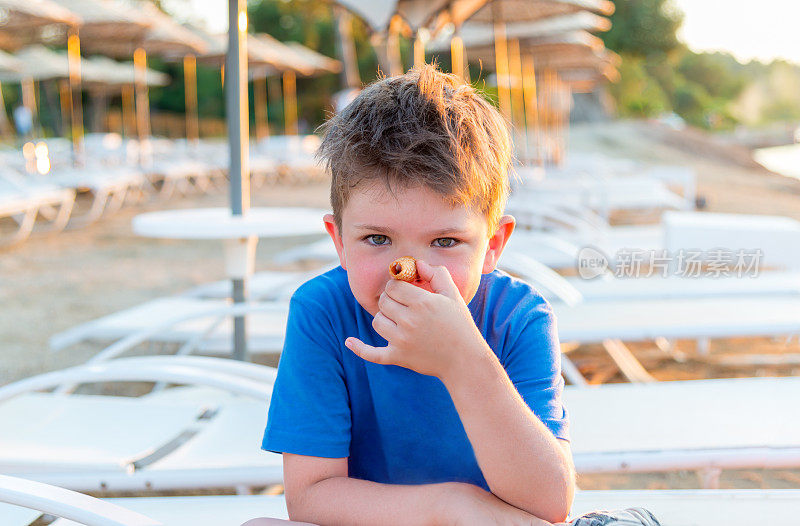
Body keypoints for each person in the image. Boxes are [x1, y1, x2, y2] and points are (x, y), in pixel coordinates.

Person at [244, 65, 659, 526]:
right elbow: (309, 497)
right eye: (378, 239)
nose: (410, 271)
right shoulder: (322, 312)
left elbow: (549, 502)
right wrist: (449, 508)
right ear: (338, 240)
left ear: (493, 246)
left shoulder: (517, 318)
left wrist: (463, 359)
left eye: (445, 242)